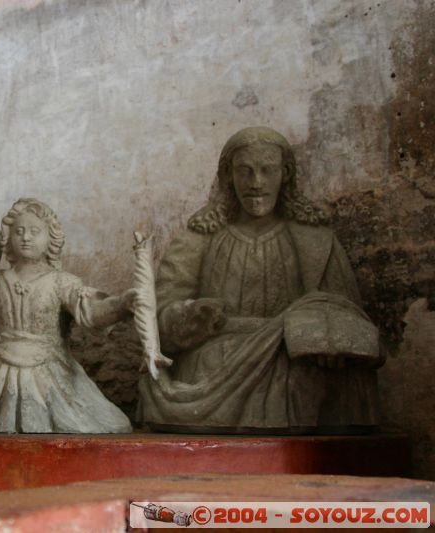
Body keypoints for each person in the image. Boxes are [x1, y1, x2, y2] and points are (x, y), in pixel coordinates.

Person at [138, 127, 383, 433]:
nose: (256, 183)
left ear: (285, 174)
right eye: (245, 171)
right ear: (229, 176)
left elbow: (344, 312)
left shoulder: (316, 241)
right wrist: (189, 317)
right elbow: (155, 322)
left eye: (267, 170)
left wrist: (330, 343)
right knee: (200, 367)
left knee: (329, 379)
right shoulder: (198, 238)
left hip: (290, 355)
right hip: (217, 360)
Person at [0, 198, 134, 433]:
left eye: (34, 231)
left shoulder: (62, 282)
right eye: (19, 231)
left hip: (48, 371)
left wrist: (122, 304)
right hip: (1, 370)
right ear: (8, 238)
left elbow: (90, 312)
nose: (26, 237)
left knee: (66, 421)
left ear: (52, 238)